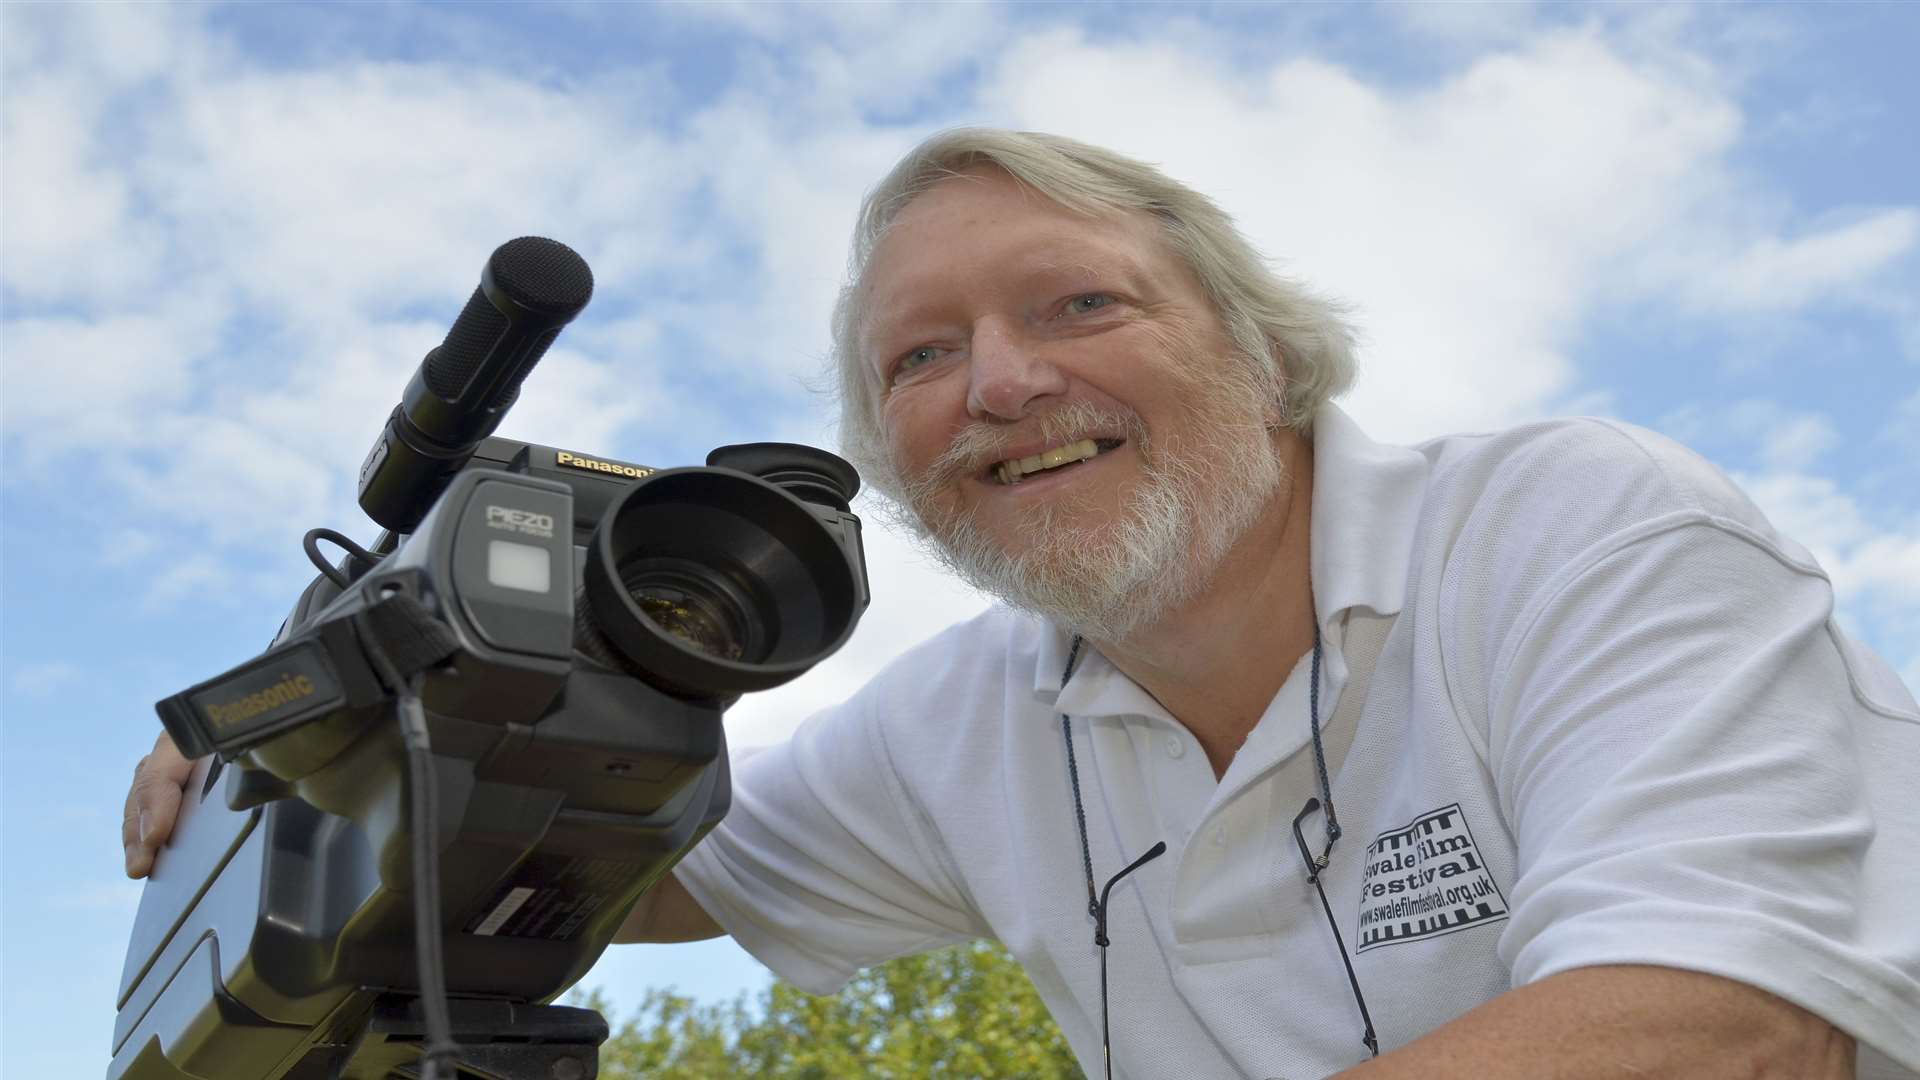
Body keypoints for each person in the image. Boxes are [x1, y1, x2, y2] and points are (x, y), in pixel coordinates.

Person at [125, 129, 1920, 1079]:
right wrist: (314, 761)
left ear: (1264, 353)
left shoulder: (1568, 527)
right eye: (920, 356)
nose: (997, 386)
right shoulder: (970, 719)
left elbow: (1725, 1025)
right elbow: (630, 871)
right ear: (891, 467)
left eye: (1078, 308)